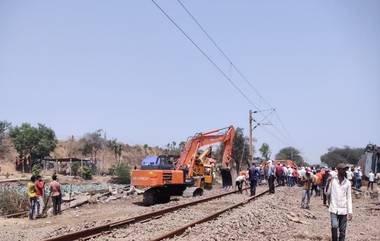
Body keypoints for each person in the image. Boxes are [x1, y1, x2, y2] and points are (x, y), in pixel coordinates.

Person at [327, 163, 353, 241]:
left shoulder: (347, 183)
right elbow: (327, 193)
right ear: (338, 170)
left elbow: (349, 197)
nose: (344, 171)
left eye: (345, 169)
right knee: (334, 226)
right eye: (343, 169)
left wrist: (350, 211)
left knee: (342, 231)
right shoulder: (333, 181)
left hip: (343, 210)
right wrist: (328, 183)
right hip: (333, 208)